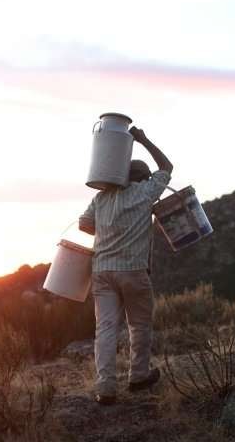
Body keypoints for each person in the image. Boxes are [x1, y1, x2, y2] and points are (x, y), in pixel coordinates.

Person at [79, 126, 173, 405]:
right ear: (143, 178)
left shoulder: (101, 197)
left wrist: (108, 230)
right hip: (132, 271)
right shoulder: (146, 192)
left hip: (102, 271)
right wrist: (143, 140)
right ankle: (138, 376)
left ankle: (105, 388)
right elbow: (167, 166)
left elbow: (85, 224)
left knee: (105, 329)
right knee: (139, 325)